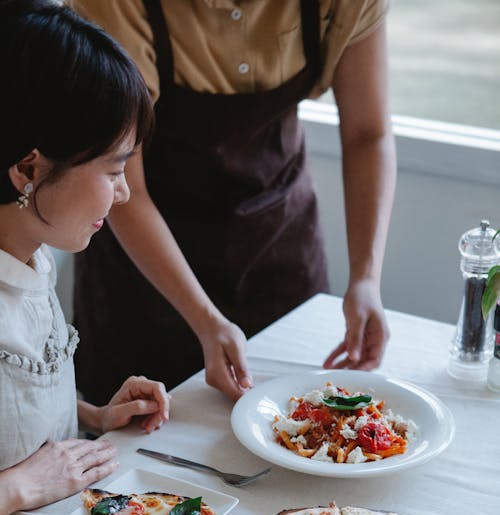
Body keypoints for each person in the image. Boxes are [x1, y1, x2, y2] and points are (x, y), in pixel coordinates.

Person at [69, 0, 396, 406]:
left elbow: (368, 133)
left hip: (281, 244)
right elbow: (122, 188)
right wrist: (205, 320)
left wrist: (366, 278)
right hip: (146, 265)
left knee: (300, 424)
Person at [0, 0, 171, 515]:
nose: (123, 194)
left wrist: (91, 417)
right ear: (29, 167)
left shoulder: (32, 256)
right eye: (114, 169)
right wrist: (19, 486)